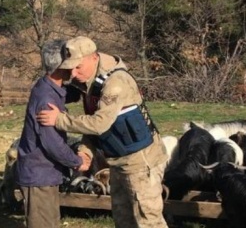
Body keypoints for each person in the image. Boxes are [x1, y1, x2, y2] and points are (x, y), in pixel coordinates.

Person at [36, 36, 168, 228]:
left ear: (93, 57)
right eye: (70, 68)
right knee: (123, 219)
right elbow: (95, 124)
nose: (72, 74)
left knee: (148, 221)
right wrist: (86, 151)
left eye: (78, 67)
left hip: (140, 162)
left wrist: (59, 119)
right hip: (118, 160)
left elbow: (99, 124)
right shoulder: (91, 81)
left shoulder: (115, 83)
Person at [15, 39, 92, 228]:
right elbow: (52, 143)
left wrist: (84, 87)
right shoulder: (46, 99)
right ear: (61, 66)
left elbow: (65, 93)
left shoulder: (49, 87)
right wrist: (77, 162)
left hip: (43, 173)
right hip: (39, 174)